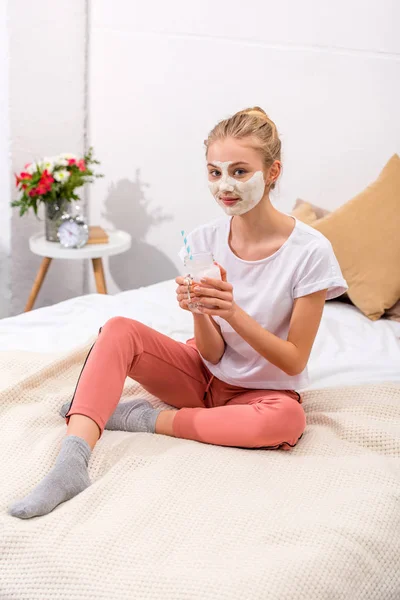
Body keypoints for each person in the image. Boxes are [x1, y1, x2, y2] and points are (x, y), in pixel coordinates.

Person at [9, 106, 347, 519]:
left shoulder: (311, 251)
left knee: (288, 421)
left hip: (266, 393)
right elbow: (213, 354)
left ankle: (139, 419)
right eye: (214, 172)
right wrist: (200, 311)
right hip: (202, 376)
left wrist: (233, 311)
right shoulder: (203, 240)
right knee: (118, 329)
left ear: (272, 171)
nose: (225, 185)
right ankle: (70, 465)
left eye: (240, 172)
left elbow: (294, 359)